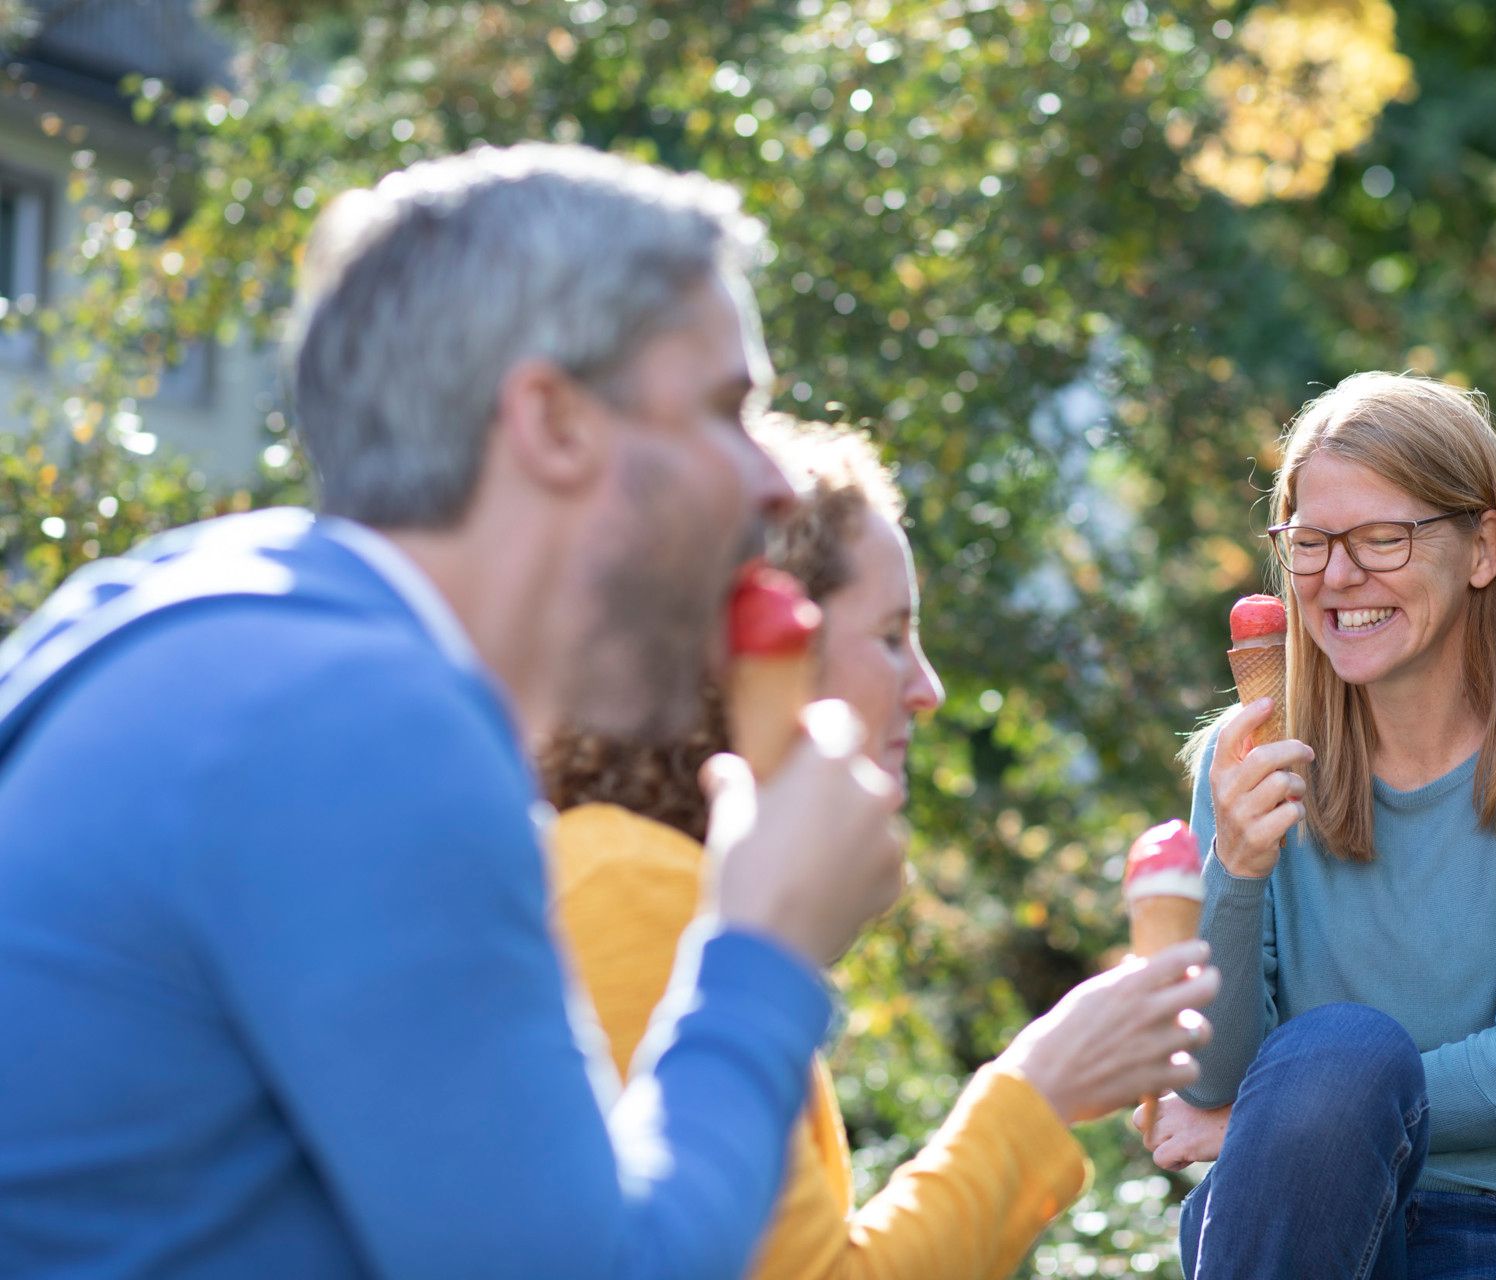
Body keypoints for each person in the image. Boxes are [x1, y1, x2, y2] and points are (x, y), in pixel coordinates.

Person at [0, 145, 907, 1278]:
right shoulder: (363, 727)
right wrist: (765, 944)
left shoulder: (201, 613)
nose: (772, 482)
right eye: (727, 407)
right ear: (553, 419)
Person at [541, 416, 1221, 1280]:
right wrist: (1037, 1089)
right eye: (892, 636)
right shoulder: (634, 885)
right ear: (764, 646)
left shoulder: (661, 876)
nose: (928, 689)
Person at [1143, 372, 1496, 1279]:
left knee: (1344, 1057)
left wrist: (1258, 1120)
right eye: (1310, 543)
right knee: (1337, 1051)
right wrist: (1236, 866)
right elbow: (1211, 1076)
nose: (1340, 578)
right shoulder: (1251, 768)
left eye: (1382, 538)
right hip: (1299, 1220)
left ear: (1482, 549)